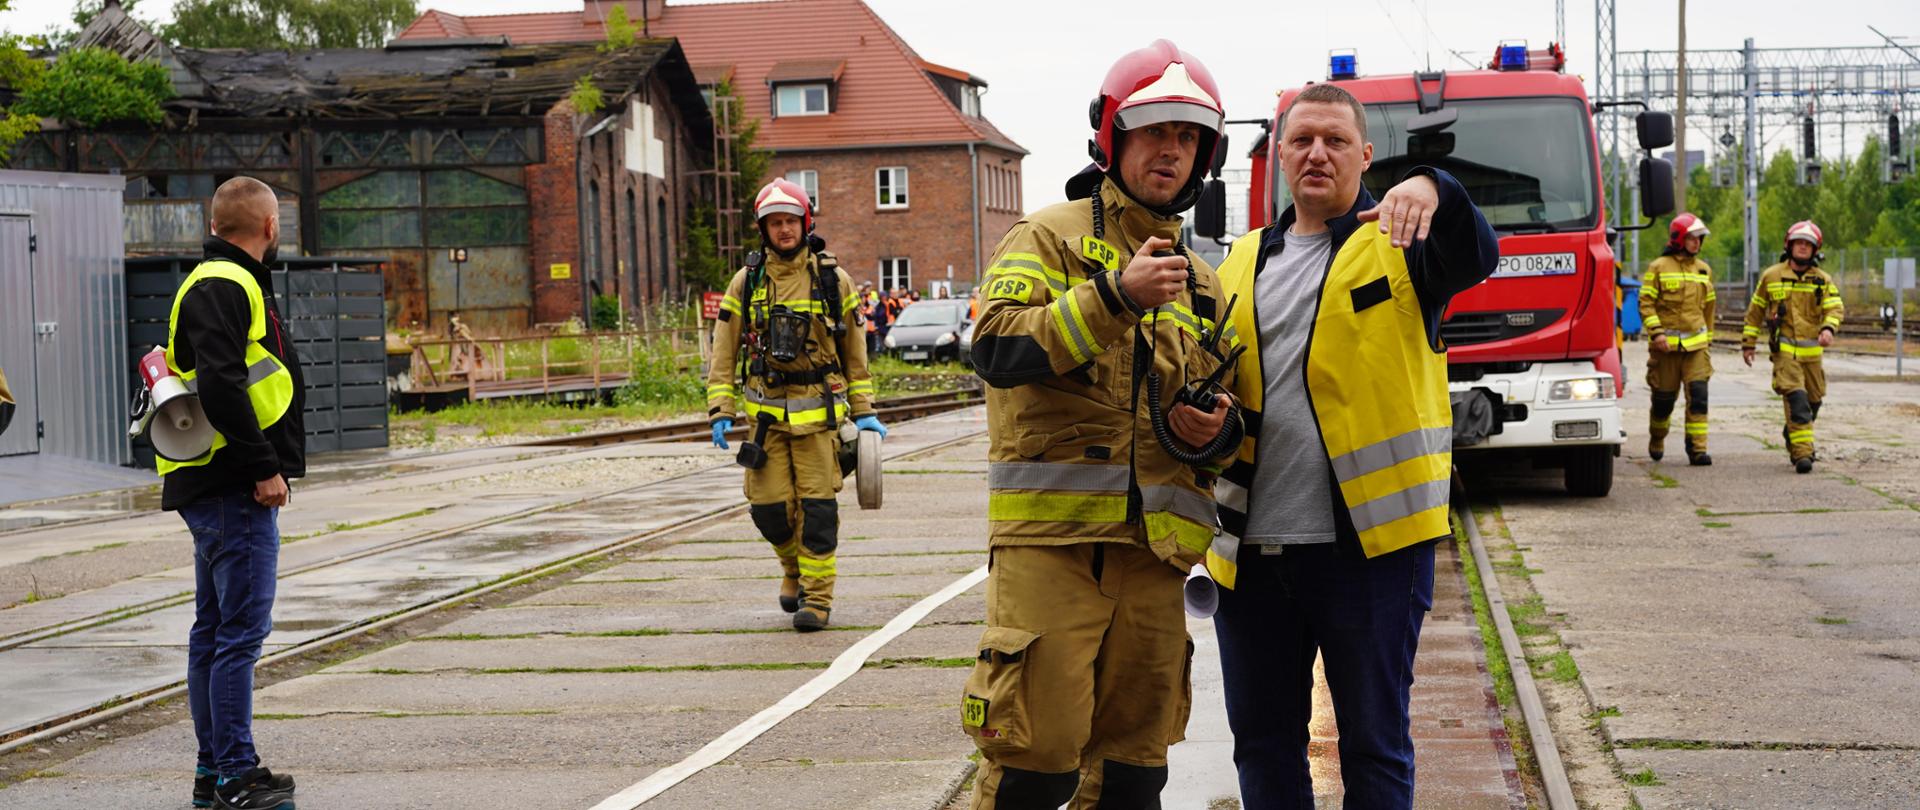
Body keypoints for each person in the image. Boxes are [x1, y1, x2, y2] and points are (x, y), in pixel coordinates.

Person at [963, 40, 1242, 809]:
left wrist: (1209, 429)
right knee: (1033, 766)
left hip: (1153, 559)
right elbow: (995, 346)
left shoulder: (1206, 282)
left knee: (1133, 775)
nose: (1171, 151)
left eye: (1188, 137)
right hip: (1052, 552)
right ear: (1112, 137)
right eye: (1155, 130)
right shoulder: (1048, 237)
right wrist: (1114, 295)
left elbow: (1227, 425)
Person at [1208, 82, 1498, 808]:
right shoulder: (1235, 264)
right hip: (1250, 556)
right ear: (1278, 155)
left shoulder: (1406, 247)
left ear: (1365, 156)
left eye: (1335, 141)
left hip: (1370, 555)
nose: (1317, 153)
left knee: (1374, 746)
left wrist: (1437, 185)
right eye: (1301, 139)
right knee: (1265, 747)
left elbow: (1478, 253)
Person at [162, 176, 304, 810]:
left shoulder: (217, 279)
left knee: (215, 632)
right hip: (231, 482)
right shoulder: (227, 283)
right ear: (270, 227)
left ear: (216, 222)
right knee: (238, 635)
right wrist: (263, 466)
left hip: (214, 481)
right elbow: (222, 384)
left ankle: (213, 770)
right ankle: (234, 776)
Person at [707, 178, 885, 632]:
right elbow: (724, 349)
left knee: (818, 514)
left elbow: (856, 354)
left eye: (790, 221)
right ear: (762, 229)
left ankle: (818, 601)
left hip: (820, 421)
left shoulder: (832, 279)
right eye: (774, 223)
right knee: (769, 511)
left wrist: (864, 411)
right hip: (765, 421)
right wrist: (720, 409)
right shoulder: (746, 282)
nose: (783, 230)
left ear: (804, 224)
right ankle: (792, 570)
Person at [1743, 220, 1843, 473]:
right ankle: (1802, 455)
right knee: (1797, 401)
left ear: (1815, 249)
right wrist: (1749, 344)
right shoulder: (1772, 276)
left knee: (1813, 403)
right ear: (1789, 245)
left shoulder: (1822, 280)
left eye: (1807, 244)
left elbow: (1835, 307)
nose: (1802, 247)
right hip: (1785, 353)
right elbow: (1755, 312)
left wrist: (1828, 328)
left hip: (1812, 356)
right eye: (1798, 243)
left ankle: (1793, 433)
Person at [1640, 213, 1717, 465]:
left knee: (1698, 395)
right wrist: (1657, 333)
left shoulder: (1704, 270)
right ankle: (1658, 435)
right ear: (1679, 238)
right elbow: (1646, 303)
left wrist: (1709, 340)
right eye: (1692, 238)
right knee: (1663, 401)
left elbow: (1709, 308)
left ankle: (1697, 450)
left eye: (1699, 239)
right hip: (1666, 348)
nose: (1696, 243)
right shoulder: (1658, 267)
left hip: (1696, 347)